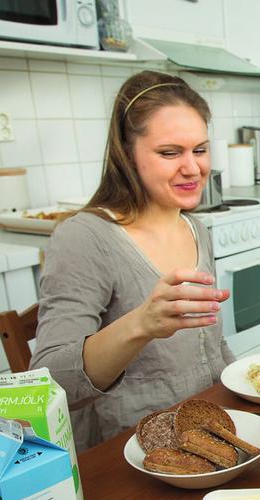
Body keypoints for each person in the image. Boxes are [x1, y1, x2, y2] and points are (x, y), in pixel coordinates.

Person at [31, 71, 235, 452]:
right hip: (130, 457)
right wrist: (141, 324)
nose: (192, 168)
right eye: (170, 153)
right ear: (127, 154)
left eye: (200, 150)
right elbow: (49, 382)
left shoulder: (194, 227)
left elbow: (211, 345)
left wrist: (250, 388)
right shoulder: (84, 237)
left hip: (203, 440)